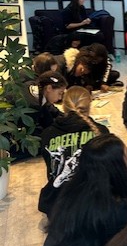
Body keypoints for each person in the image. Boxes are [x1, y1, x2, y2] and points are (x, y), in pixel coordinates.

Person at [38, 86, 110, 216]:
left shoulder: (47, 134)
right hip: (94, 206)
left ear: (63, 106)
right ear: (89, 106)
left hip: (57, 206)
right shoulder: (101, 131)